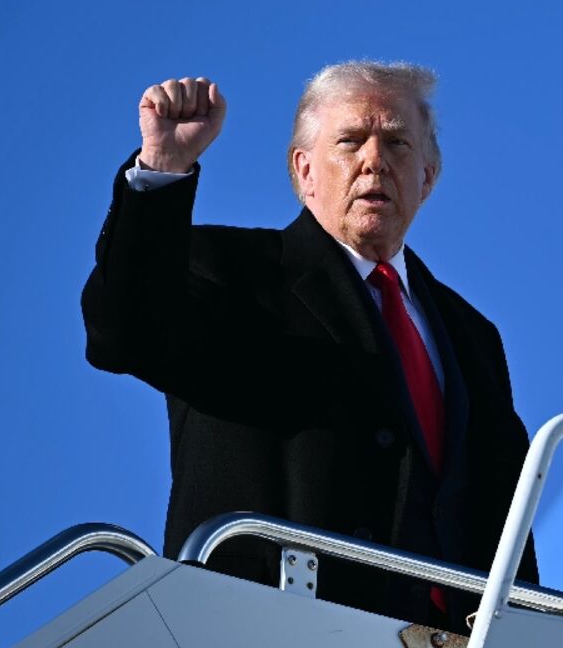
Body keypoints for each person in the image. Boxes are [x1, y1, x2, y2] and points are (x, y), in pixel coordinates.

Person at [81, 62, 538, 632]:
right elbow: (124, 334)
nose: (375, 159)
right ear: (304, 172)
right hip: (269, 627)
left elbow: (499, 504)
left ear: (428, 174)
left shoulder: (472, 334)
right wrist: (163, 171)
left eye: (397, 142)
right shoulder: (231, 272)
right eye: (350, 141)